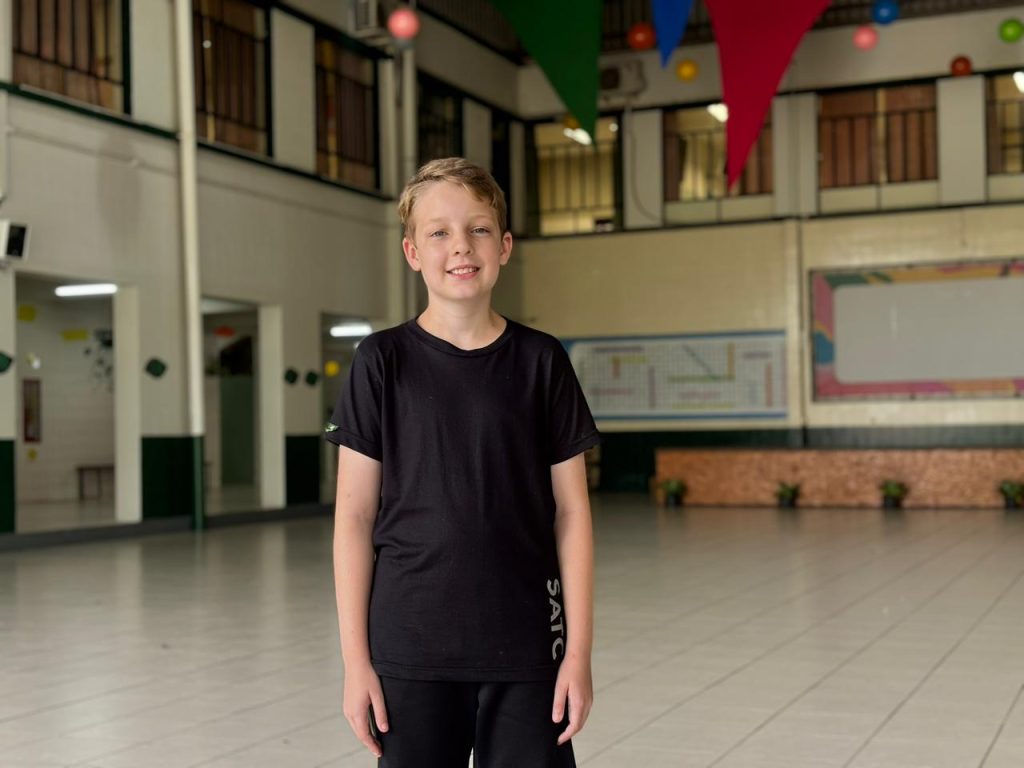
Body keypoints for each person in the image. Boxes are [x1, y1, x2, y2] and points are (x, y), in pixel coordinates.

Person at [326, 157, 599, 768]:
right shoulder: (381, 362)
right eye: (439, 232)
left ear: (504, 246)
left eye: (478, 229)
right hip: (410, 649)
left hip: (528, 646)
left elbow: (572, 513)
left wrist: (578, 654)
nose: (461, 246)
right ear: (412, 252)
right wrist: (355, 663)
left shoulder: (541, 361)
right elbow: (354, 517)